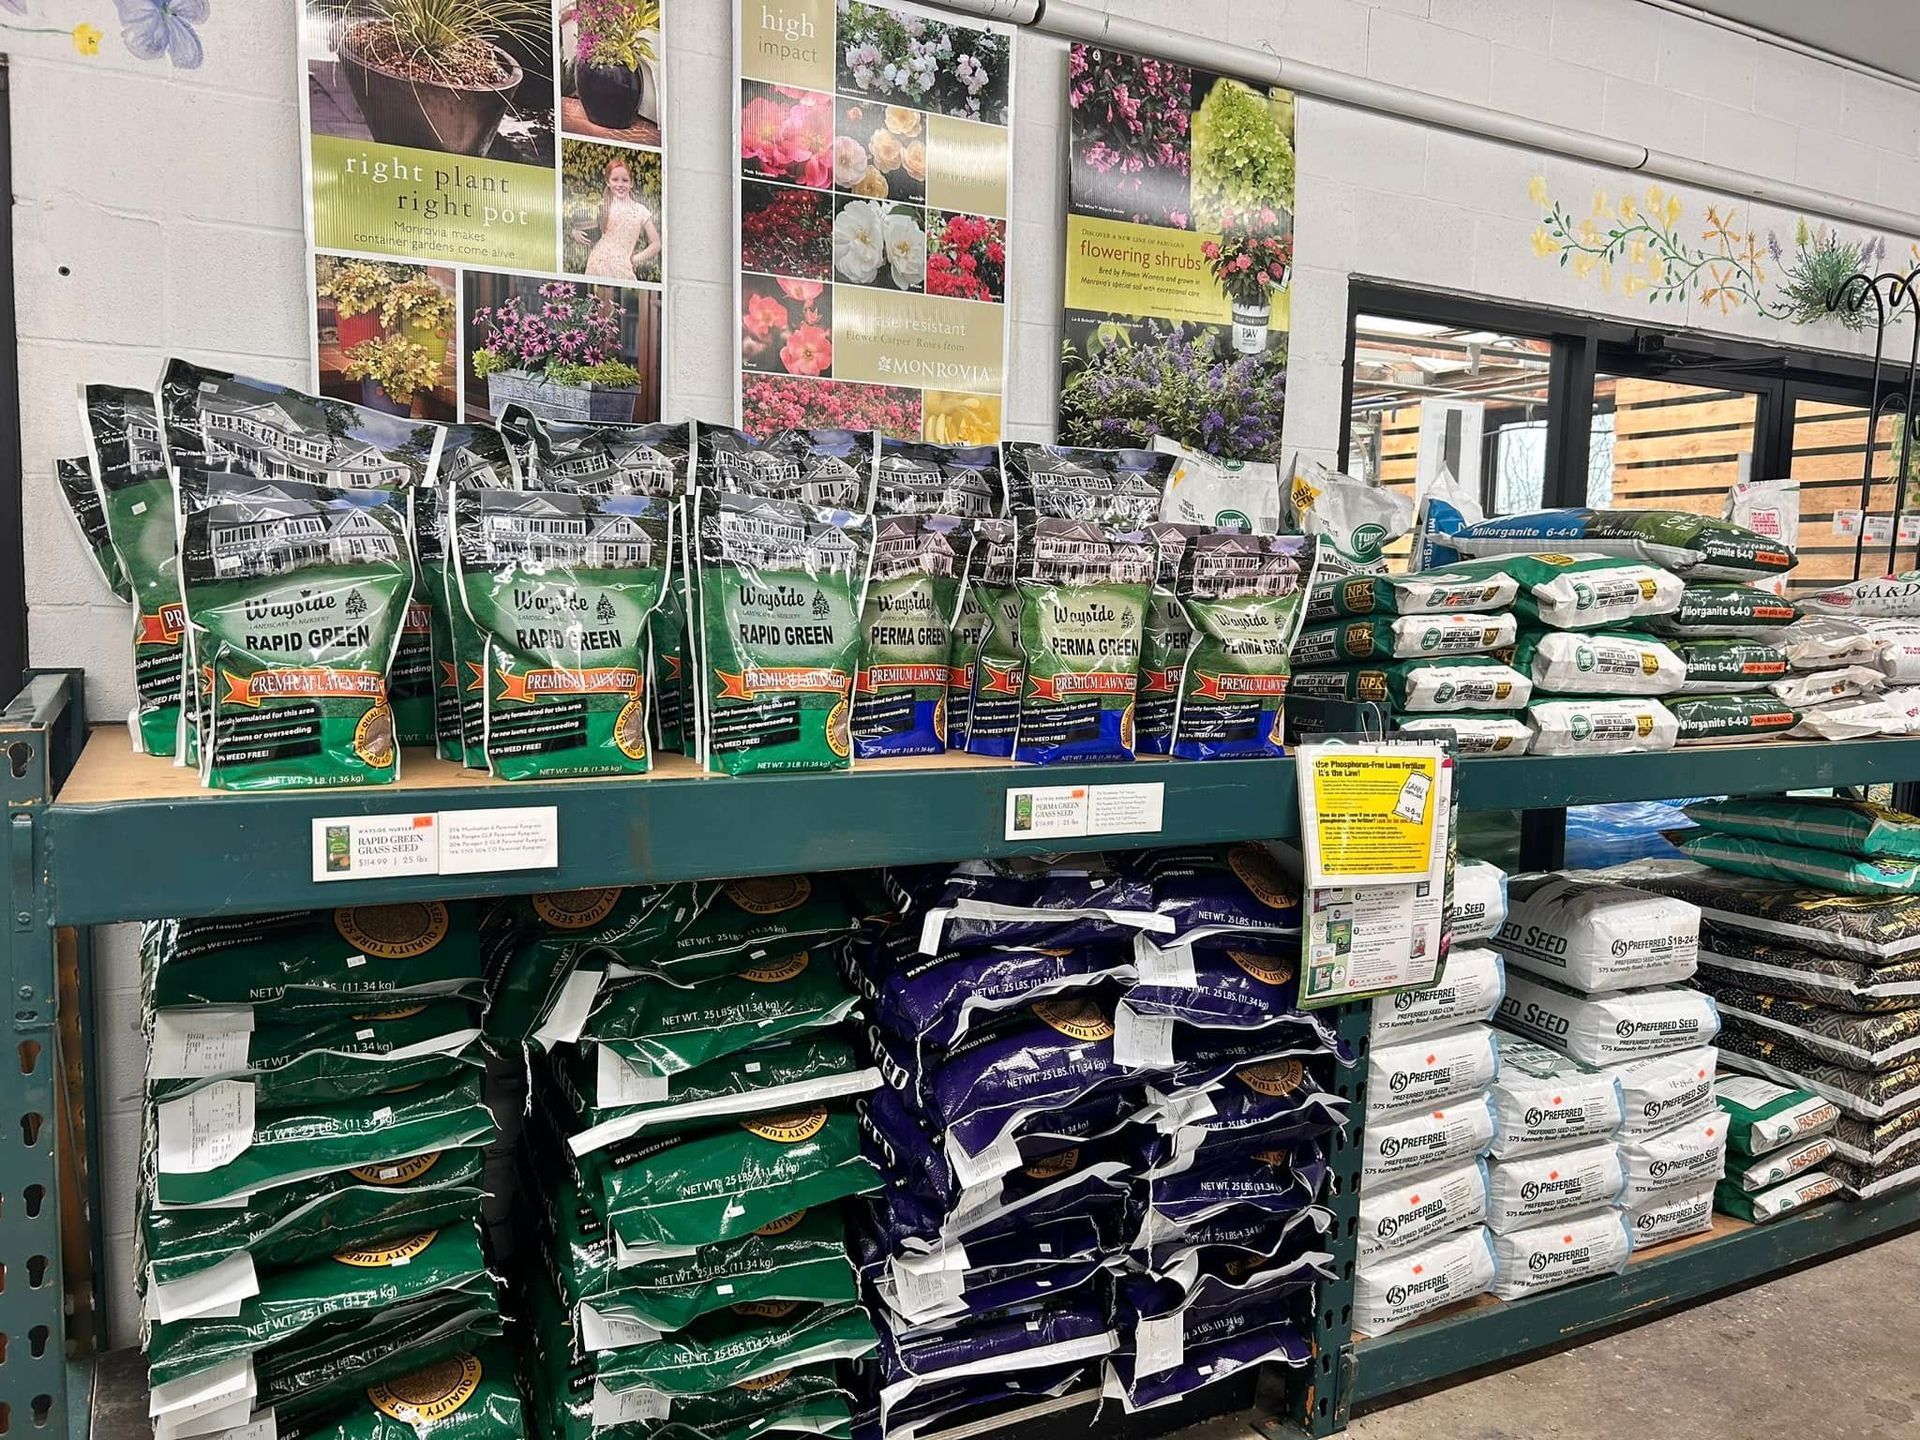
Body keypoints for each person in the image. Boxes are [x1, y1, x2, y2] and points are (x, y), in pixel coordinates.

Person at [573, 157, 661, 282]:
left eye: (625, 180)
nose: (620, 184)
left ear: (631, 183)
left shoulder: (641, 210)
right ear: (608, 182)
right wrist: (574, 232)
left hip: (623, 268)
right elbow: (584, 225)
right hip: (596, 264)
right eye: (615, 180)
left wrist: (636, 259)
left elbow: (656, 244)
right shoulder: (602, 205)